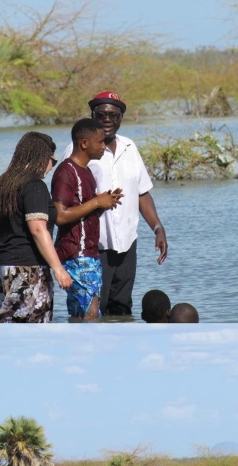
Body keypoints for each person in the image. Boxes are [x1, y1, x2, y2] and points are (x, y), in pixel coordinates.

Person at [63, 92, 168, 316]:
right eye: (102, 114)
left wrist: (157, 228)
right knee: (89, 313)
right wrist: (98, 202)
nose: (108, 119)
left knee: (122, 310)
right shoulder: (78, 151)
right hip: (93, 248)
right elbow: (64, 206)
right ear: (92, 116)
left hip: (127, 245)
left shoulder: (130, 148)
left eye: (114, 115)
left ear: (121, 118)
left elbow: (142, 194)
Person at [0, 132, 73, 322]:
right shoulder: (34, 185)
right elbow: (37, 229)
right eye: (53, 161)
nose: (52, 167)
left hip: (3, 264)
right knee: (32, 325)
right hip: (28, 267)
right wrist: (58, 269)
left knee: (11, 322)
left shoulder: (4, 184)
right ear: (42, 157)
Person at [52, 119, 123, 320]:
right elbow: (59, 215)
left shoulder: (87, 171)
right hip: (77, 253)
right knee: (91, 315)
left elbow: (83, 215)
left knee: (80, 316)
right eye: (100, 142)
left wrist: (104, 202)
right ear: (84, 143)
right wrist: (96, 202)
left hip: (87, 252)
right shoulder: (66, 171)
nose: (104, 146)